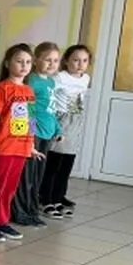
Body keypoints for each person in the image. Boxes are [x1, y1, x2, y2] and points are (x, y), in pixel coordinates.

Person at [0, 44, 40, 242]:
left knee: (10, 188)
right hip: (3, 147)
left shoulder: (29, 90)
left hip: (21, 148)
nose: (24, 65)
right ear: (7, 63)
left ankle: (2, 221)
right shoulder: (2, 88)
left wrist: (31, 145)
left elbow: (30, 119)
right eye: (19, 61)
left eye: (28, 62)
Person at [11, 41, 60, 228]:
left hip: (47, 135)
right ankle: (20, 211)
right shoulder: (32, 81)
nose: (52, 64)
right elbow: (28, 110)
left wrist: (58, 129)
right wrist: (29, 137)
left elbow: (51, 109)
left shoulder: (50, 82)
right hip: (34, 134)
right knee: (27, 176)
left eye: (55, 60)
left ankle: (32, 209)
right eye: (47, 60)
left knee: (37, 176)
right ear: (36, 60)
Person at [42, 44, 92, 219]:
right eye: (76, 60)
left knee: (67, 164)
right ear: (66, 61)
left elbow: (77, 100)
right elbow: (49, 98)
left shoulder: (86, 78)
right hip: (61, 120)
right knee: (54, 162)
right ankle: (46, 199)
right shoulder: (60, 77)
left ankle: (59, 197)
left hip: (75, 119)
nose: (80, 64)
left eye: (84, 60)